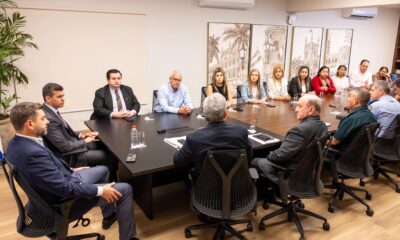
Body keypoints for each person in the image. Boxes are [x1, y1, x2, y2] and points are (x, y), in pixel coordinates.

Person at [6, 102, 138, 240]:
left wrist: (71, 169)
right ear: (30, 124)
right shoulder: (33, 153)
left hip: (58, 184)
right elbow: (64, 188)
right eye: (43, 119)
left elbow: (46, 172)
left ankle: (109, 214)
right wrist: (100, 191)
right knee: (125, 189)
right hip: (64, 202)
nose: (47, 122)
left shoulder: (14, 145)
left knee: (103, 170)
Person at [42, 83, 117, 182]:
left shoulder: (51, 111)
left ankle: (100, 175)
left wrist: (82, 135)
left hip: (74, 144)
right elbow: (64, 147)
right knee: (111, 156)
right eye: (59, 96)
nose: (63, 99)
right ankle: (112, 183)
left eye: (63, 96)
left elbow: (65, 131)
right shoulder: (49, 118)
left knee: (103, 145)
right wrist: (85, 141)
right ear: (48, 98)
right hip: (71, 155)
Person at [252, 94, 328, 184]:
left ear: (311, 110)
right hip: (307, 171)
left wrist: (269, 154)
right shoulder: (323, 126)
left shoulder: (299, 131)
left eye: (300, 106)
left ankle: (263, 192)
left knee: (254, 160)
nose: (296, 109)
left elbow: (280, 156)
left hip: (291, 173)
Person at [173, 93, 252, 179]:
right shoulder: (241, 132)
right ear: (226, 114)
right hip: (239, 186)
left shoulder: (195, 138)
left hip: (207, 190)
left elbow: (178, 161)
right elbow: (249, 156)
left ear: (205, 115)